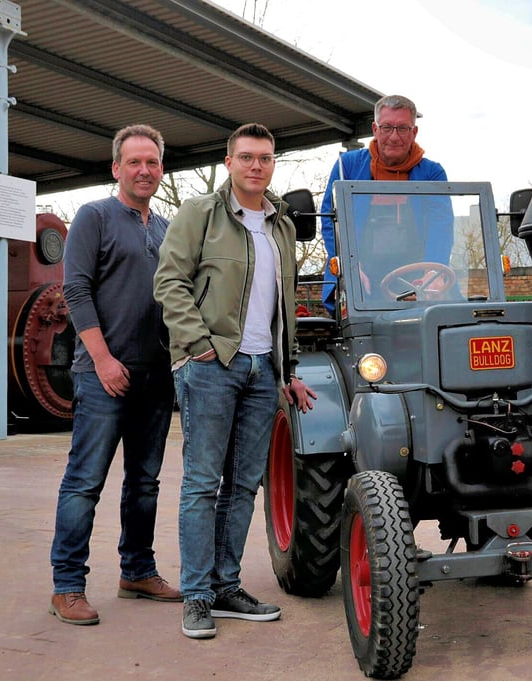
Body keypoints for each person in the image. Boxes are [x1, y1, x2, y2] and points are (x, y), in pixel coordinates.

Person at [153, 123, 316, 639]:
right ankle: (196, 597)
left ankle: (225, 586)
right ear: (229, 163)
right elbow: (169, 281)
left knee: (245, 485)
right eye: (246, 157)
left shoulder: (281, 227)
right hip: (210, 366)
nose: (256, 166)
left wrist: (286, 371)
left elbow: (284, 305)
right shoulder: (200, 213)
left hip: (262, 370)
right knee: (203, 484)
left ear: (272, 165)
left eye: (265, 158)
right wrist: (199, 345)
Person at [48, 124, 180, 626]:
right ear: (116, 168)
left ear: (161, 169)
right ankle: (66, 586)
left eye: (152, 162)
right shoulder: (94, 217)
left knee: (145, 483)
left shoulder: (168, 228)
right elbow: (76, 291)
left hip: (155, 377)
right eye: (134, 162)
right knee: (84, 483)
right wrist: (102, 360)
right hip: (101, 375)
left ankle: (138, 571)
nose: (143, 170)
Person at [319, 94, 451, 313]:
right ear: (375, 129)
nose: (394, 137)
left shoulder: (432, 173)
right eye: (387, 127)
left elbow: (442, 226)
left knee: (459, 319)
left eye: (403, 128)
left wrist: (433, 273)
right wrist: (349, 268)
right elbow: (330, 221)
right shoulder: (347, 166)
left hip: (418, 278)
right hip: (360, 275)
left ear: (414, 132)